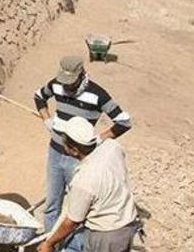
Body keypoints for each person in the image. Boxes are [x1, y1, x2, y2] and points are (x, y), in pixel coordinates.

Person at [34, 56, 132, 252]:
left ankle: (70, 246)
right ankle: (50, 245)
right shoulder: (57, 85)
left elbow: (124, 121)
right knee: (53, 204)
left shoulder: (97, 95)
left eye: (71, 84)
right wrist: (47, 120)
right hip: (55, 150)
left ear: (81, 76)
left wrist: (98, 139)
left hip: (77, 157)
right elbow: (38, 96)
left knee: (78, 209)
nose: (66, 88)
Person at [37, 117, 138, 252]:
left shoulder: (84, 179)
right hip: (128, 223)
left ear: (73, 150)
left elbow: (72, 222)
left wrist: (49, 244)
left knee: (71, 241)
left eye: (64, 143)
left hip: (106, 235)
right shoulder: (111, 147)